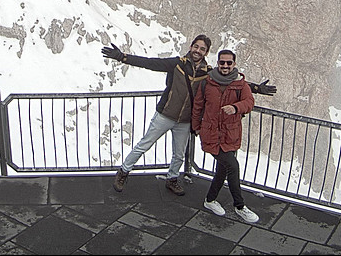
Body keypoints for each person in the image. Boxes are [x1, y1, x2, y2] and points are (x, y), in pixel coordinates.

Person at [101, 35, 276, 196]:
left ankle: (172, 179)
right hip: (165, 115)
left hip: (184, 121)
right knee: (144, 144)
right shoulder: (177, 64)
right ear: (191, 47)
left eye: (202, 49)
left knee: (179, 154)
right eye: (196, 47)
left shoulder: (208, 73)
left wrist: (256, 88)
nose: (198, 51)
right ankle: (123, 172)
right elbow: (151, 63)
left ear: (206, 52)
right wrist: (122, 57)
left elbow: (230, 81)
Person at [191, 48, 259, 224]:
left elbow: (249, 102)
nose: (225, 66)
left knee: (223, 169)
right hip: (211, 135)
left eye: (229, 63)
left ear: (234, 64)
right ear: (218, 63)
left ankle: (210, 200)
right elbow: (198, 106)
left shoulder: (241, 85)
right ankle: (240, 206)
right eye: (222, 62)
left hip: (230, 135)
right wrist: (196, 128)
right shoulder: (207, 83)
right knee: (232, 165)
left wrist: (236, 107)